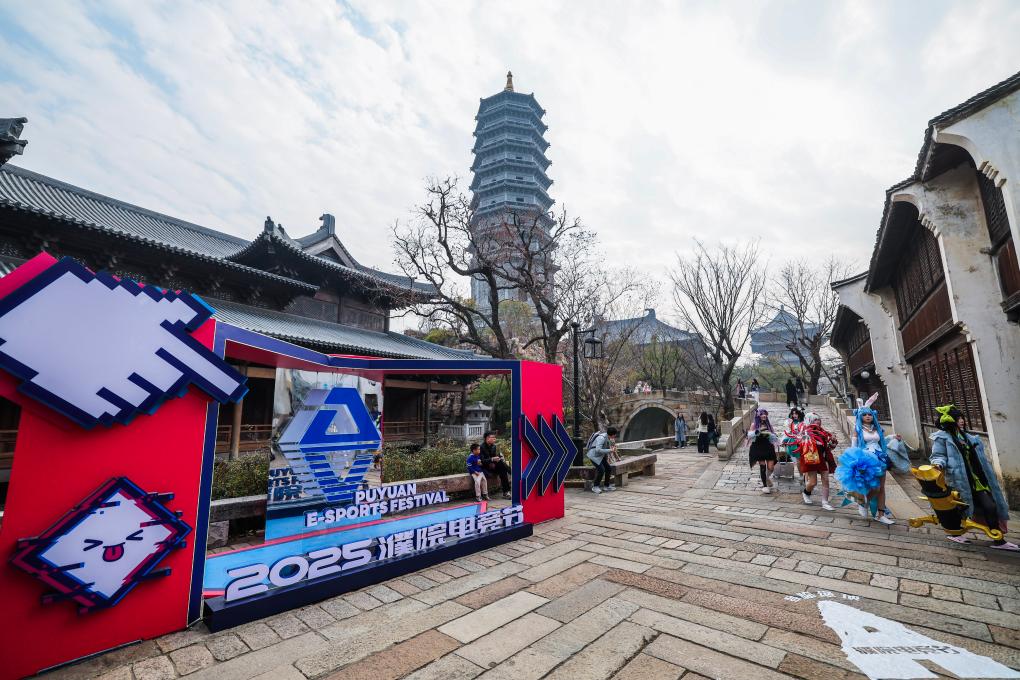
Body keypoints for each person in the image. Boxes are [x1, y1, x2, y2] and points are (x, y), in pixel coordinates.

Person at [931, 405, 1017, 551]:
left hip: (978, 478)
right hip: (959, 480)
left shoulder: (968, 437)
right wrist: (938, 464)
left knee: (990, 506)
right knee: (959, 509)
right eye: (958, 418)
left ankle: (999, 540)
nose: (962, 421)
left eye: (962, 418)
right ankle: (955, 533)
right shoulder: (942, 438)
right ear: (950, 421)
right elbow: (938, 455)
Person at [835, 394, 899, 525]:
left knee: (881, 488)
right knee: (874, 488)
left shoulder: (877, 429)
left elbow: (882, 440)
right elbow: (853, 447)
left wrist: (893, 437)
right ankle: (863, 503)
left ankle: (880, 515)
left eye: (869, 414)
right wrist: (854, 461)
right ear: (860, 416)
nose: (868, 416)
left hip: (880, 458)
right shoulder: (858, 430)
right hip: (866, 461)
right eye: (864, 415)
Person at [797, 412, 838, 510]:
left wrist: (832, 441)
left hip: (823, 459)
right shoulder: (805, 433)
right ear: (810, 421)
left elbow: (829, 447)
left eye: (819, 419)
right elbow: (801, 446)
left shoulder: (823, 432)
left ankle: (825, 502)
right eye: (815, 419)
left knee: (826, 479)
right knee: (813, 482)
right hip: (812, 459)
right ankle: (806, 493)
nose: (818, 421)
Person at [747, 408, 778, 494]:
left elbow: (774, 435)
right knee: (762, 466)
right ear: (758, 416)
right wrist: (758, 431)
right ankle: (765, 486)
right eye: (762, 414)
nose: (764, 416)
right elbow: (749, 435)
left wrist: (773, 436)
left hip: (768, 446)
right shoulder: (754, 425)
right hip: (758, 447)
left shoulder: (768, 425)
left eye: (765, 414)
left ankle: (766, 478)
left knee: (771, 467)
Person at [480, 431, 512, 499]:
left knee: (503, 469)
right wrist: (492, 460)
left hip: (493, 466)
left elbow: (494, 457)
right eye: (493, 437)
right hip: (485, 468)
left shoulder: (493, 446)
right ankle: (512, 473)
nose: (495, 439)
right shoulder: (481, 447)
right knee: (502, 467)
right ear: (487, 438)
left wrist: (498, 458)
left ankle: (506, 492)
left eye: (495, 437)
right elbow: (482, 461)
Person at [586, 427, 618, 494]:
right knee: (601, 470)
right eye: (615, 434)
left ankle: (606, 486)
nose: (615, 436)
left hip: (600, 456)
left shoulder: (607, 437)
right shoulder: (601, 438)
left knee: (608, 468)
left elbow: (606, 447)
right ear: (613, 434)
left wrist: (612, 448)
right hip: (594, 456)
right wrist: (610, 450)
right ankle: (595, 486)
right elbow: (598, 449)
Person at [780, 407, 805, 478]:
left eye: (796, 414)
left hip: (804, 441)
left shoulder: (804, 422)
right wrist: (785, 440)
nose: (794, 415)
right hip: (795, 443)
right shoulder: (791, 423)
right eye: (793, 414)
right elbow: (789, 433)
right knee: (798, 460)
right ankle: (801, 475)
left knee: (805, 459)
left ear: (799, 414)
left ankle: (806, 475)